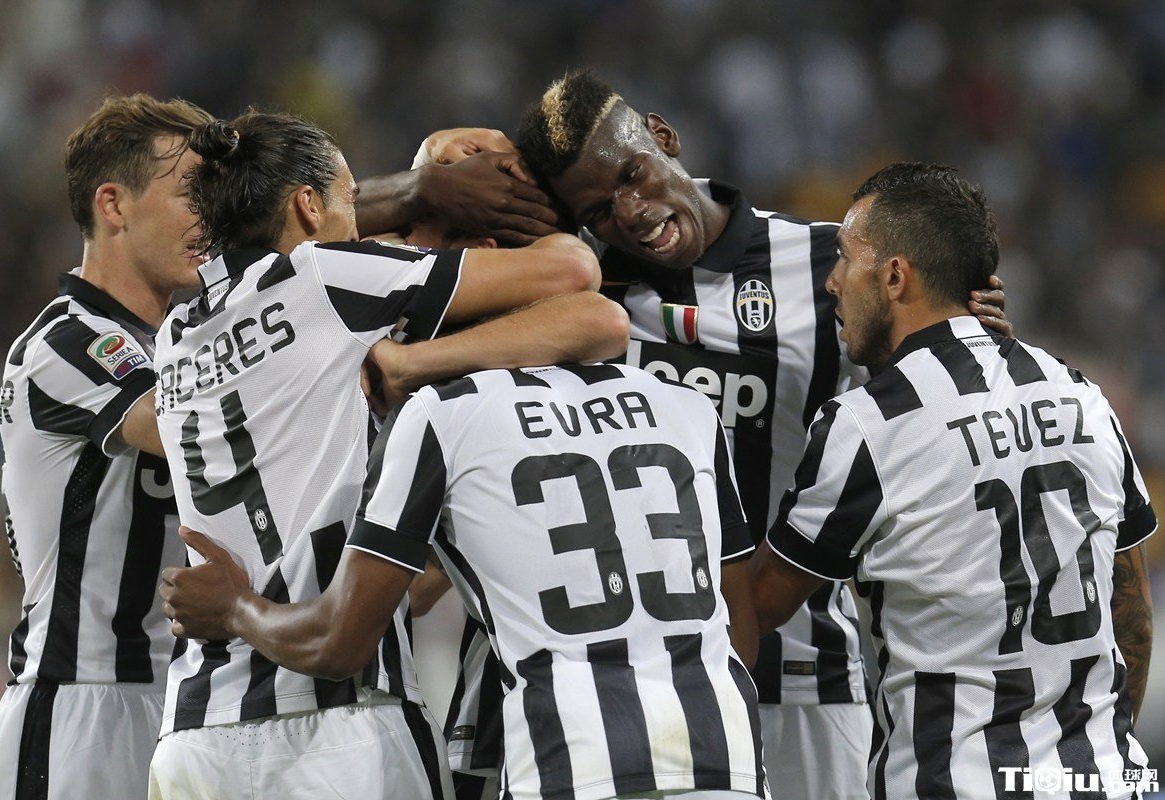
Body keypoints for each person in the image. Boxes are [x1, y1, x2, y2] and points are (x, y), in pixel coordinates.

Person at [512, 69, 1011, 800]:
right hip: (640, 687)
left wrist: (973, 326)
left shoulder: (830, 264)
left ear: (663, 137)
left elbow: (945, 387)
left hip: (806, 676)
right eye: (598, 209)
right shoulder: (576, 290)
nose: (632, 212)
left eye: (632, 175)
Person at [148, 111, 629, 799]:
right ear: (307, 205)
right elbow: (574, 271)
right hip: (333, 729)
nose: (367, 227)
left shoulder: (175, 331)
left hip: (195, 733)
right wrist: (459, 193)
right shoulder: (327, 276)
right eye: (350, 201)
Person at [162, 360, 768, 800]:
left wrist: (235, 607)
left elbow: (337, 644)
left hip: (571, 762)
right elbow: (740, 628)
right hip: (727, 755)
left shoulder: (443, 412)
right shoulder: (685, 404)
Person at [752, 162, 1156, 799]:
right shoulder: (1083, 394)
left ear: (894, 276)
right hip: (1105, 778)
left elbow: (757, 607)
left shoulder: (867, 424)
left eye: (845, 257)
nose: (831, 281)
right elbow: (1131, 615)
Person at [0, 94, 212, 800]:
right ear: (113, 205)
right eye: (191, 193)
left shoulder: (182, 345)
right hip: (78, 712)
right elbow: (183, 427)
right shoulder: (67, 340)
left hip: (178, 704)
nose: (211, 217)